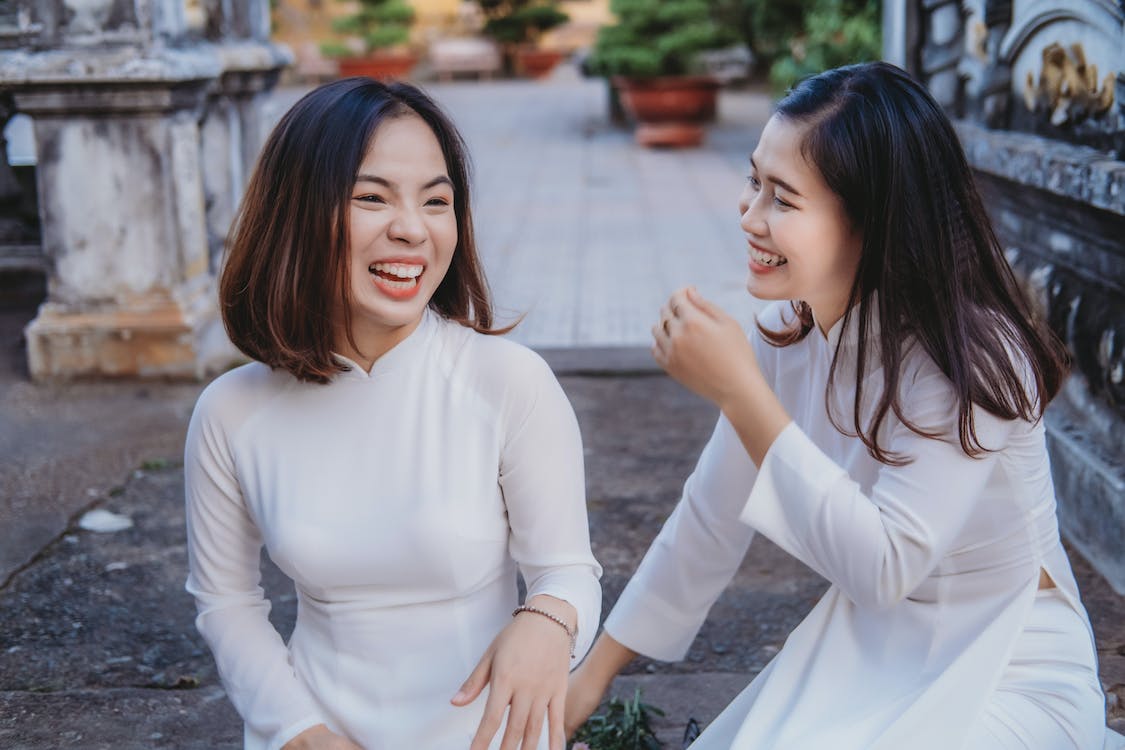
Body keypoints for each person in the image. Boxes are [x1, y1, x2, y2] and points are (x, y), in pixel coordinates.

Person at [565, 62, 1110, 749]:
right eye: (753, 182)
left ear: (872, 221)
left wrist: (740, 393)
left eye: (782, 200)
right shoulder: (787, 334)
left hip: (1010, 662)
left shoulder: (971, 355)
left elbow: (883, 568)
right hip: (873, 646)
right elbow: (708, 519)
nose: (749, 216)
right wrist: (586, 682)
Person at [184, 77, 601, 750]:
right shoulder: (231, 413)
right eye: (371, 198)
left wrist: (547, 620)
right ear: (297, 213)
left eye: (436, 202)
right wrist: (301, 732)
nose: (411, 229)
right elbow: (227, 604)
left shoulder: (507, 381)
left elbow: (567, 570)